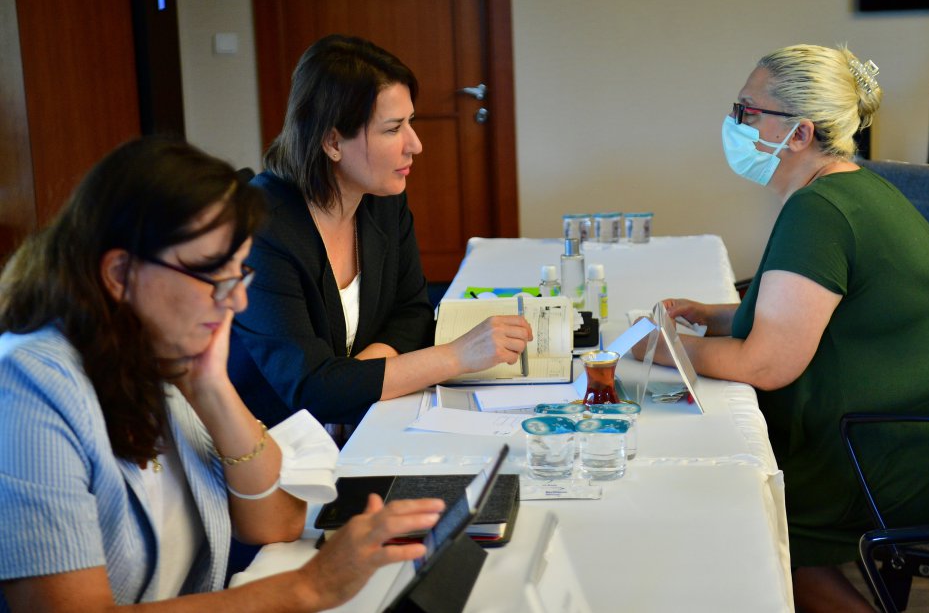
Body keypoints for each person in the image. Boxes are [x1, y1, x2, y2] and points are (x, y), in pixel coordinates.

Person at [0, 137, 444, 611]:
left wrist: (211, 385)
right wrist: (307, 587)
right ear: (119, 273)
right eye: (214, 276)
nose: (237, 300)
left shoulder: (155, 349)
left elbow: (275, 522)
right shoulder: (29, 387)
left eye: (240, 274)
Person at [639, 44, 929, 612]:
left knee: (745, 508)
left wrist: (662, 348)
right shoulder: (851, 186)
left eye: (747, 111)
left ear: (800, 133)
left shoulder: (820, 211)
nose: (734, 123)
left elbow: (766, 364)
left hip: (918, 449)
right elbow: (815, 308)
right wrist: (714, 316)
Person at [228, 34, 532, 429]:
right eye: (393, 129)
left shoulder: (381, 197)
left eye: (410, 122)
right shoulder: (263, 228)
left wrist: (352, 380)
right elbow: (309, 390)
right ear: (332, 141)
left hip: (356, 421)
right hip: (276, 441)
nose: (415, 145)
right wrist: (456, 356)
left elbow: (413, 313)